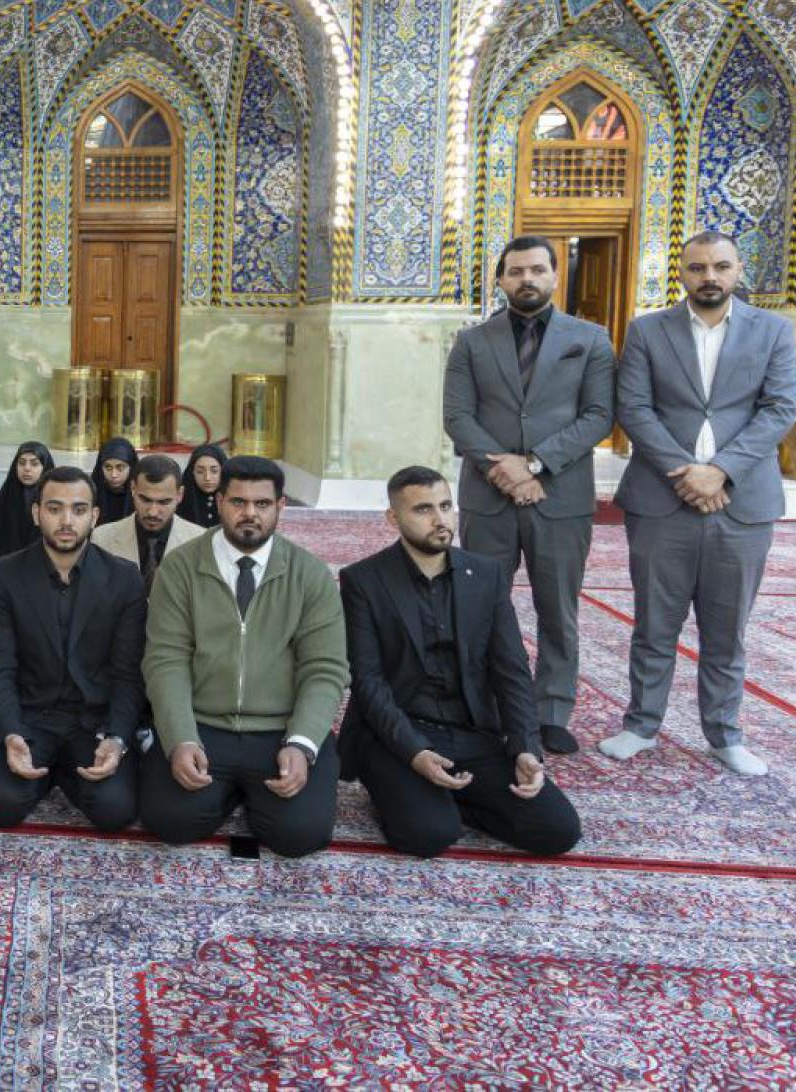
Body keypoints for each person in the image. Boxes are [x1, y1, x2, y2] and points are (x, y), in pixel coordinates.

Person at [599, 231, 796, 777]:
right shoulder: (647, 331)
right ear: (682, 272)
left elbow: (780, 409)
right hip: (662, 499)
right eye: (697, 267)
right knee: (654, 624)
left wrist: (722, 471)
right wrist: (688, 472)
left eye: (720, 266)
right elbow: (634, 408)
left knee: (726, 629)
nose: (709, 276)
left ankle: (724, 734)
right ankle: (641, 725)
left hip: (743, 502)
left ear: (738, 270)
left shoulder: (774, 331)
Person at [339, 467, 581, 858]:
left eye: (445, 506)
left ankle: (451, 800)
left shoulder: (485, 574)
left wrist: (525, 747)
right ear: (393, 518)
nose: (440, 519)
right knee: (428, 835)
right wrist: (415, 752)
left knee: (558, 831)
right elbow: (368, 682)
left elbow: (512, 670)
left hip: (471, 732)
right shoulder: (364, 580)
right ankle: (401, 792)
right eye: (423, 509)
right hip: (397, 733)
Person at [442, 236, 615, 755]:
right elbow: (458, 417)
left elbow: (599, 416)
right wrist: (504, 469)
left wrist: (536, 464)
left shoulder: (590, 339)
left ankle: (551, 711)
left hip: (559, 496)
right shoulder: (472, 342)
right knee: (478, 606)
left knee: (557, 608)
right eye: (516, 271)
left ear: (555, 276)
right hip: (488, 494)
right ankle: (482, 707)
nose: (527, 279)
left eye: (537, 270)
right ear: (501, 279)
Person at [139, 455, 347, 856]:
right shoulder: (180, 567)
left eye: (262, 503)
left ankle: (245, 792)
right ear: (219, 502)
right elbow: (166, 660)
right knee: (169, 821)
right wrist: (180, 738)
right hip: (204, 724)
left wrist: (302, 743)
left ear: (281, 506)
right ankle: (232, 791)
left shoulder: (310, 574)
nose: (250, 513)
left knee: (300, 834)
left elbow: (325, 668)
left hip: (279, 729)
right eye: (238, 502)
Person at [0, 465, 147, 832]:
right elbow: (1, 666)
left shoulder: (124, 579)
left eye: (78, 509)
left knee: (115, 810)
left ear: (95, 516)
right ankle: (53, 767)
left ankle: (62, 770)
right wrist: (10, 733)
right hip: (30, 716)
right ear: (36, 513)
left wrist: (118, 738)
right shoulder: (2, 576)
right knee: (0, 805)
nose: (67, 521)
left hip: (93, 720)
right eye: (54, 509)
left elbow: (127, 673)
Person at [91, 452, 204, 593]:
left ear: (180, 495)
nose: (153, 512)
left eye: (164, 502)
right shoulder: (102, 539)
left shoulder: (201, 542)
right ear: (133, 489)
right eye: (145, 500)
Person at [0, 441, 55, 566]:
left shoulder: (54, 499)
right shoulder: (5, 498)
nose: (27, 468)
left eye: (34, 464)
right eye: (21, 463)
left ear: (45, 467)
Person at [175, 444, 228, 529]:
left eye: (214, 471)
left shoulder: (233, 500)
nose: (207, 478)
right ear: (192, 472)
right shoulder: (179, 501)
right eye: (200, 471)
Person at [92, 437, 138, 526]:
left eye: (120, 468)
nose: (114, 475)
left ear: (131, 467)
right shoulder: (92, 494)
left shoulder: (141, 496)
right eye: (108, 468)